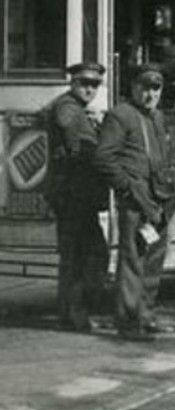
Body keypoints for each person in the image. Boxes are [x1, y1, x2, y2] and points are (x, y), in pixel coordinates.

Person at [95, 63, 175, 341]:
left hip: (158, 199)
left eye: (156, 88)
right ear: (134, 87)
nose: (150, 94)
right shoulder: (120, 116)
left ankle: (146, 316)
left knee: (153, 262)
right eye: (145, 87)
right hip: (136, 201)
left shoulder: (157, 117)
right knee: (133, 263)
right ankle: (129, 322)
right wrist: (128, 188)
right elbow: (104, 159)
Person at [43, 62, 109, 333]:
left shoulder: (76, 107)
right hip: (72, 192)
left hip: (75, 192)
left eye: (94, 85)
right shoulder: (68, 106)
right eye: (84, 83)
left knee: (81, 254)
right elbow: (69, 126)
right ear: (72, 83)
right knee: (85, 254)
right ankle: (76, 315)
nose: (89, 89)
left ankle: (72, 313)